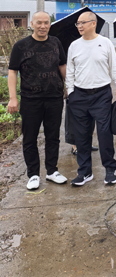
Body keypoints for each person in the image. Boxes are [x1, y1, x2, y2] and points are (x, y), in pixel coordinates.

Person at [7, 11, 68, 190]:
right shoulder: (20, 46)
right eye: (39, 23)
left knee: (53, 136)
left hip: (54, 98)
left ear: (50, 24)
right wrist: (12, 98)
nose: (43, 26)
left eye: (46, 22)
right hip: (30, 99)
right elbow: (12, 71)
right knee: (30, 137)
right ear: (32, 24)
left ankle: (52, 171)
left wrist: (68, 87)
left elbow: (62, 66)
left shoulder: (56, 42)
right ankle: (33, 174)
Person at [65, 11, 116, 186]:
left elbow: (114, 67)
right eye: (77, 23)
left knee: (104, 133)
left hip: (101, 95)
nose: (79, 26)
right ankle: (85, 172)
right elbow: (70, 71)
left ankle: (110, 169)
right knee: (82, 135)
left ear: (93, 23)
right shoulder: (74, 45)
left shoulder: (105, 43)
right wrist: (70, 92)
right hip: (79, 96)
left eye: (82, 22)